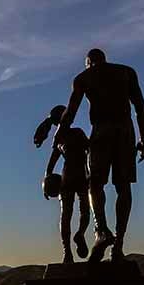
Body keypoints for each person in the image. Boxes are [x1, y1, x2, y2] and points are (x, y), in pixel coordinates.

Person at [55, 48, 144, 263]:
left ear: (88, 62)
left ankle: (101, 229)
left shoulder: (83, 78)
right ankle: (118, 247)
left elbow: (71, 111)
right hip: (126, 131)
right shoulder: (126, 72)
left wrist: (59, 133)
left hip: (102, 130)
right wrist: (143, 138)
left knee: (95, 184)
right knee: (123, 187)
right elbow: (140, 107)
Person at [38, 104, 91, 263]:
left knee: (67, 215)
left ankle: (67, 251)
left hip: (68, 177)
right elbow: (89, 152)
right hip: (79, 176)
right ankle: (78, 236)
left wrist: (45, 186)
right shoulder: (77, 133)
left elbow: (50, 165)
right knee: (83, 211)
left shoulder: (59, 140)